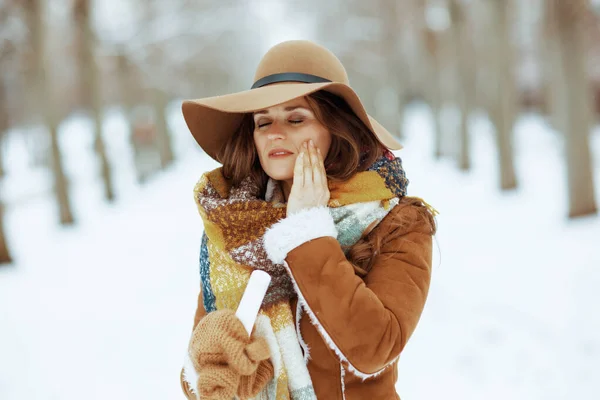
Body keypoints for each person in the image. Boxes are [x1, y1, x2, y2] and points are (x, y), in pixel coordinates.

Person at [179, 40, 437, 400]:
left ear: (337, 127)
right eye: (262, 122)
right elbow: (202, 381)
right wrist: (212, 365)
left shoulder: (398, 221)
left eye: (296, 118)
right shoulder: (236, 229)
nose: (275, 133)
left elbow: (375, 348)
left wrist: (307, 232)